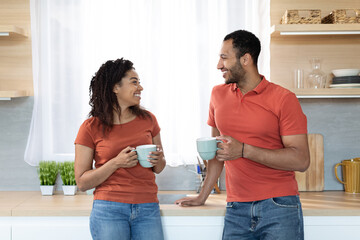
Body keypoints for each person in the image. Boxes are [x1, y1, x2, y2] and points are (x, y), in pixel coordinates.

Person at [175, 30, 310, 240]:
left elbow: (300, 159)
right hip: (236, 207)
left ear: (245, 59)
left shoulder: (284, 99)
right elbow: (216, 152)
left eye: (224, 57)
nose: (219, 65)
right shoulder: (217, 95)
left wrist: (244, 150)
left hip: (279, 205)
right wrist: (203, 195)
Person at [74, 58, 166, 240]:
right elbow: (82, 182)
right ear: (115, 87)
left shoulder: (149, 120)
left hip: (147, 206)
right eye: (134, 82)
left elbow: (159, 167)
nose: (140, 88)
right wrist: (116, 163)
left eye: (139, 83)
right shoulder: (90, 127)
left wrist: (158, 160)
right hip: (108, 209)